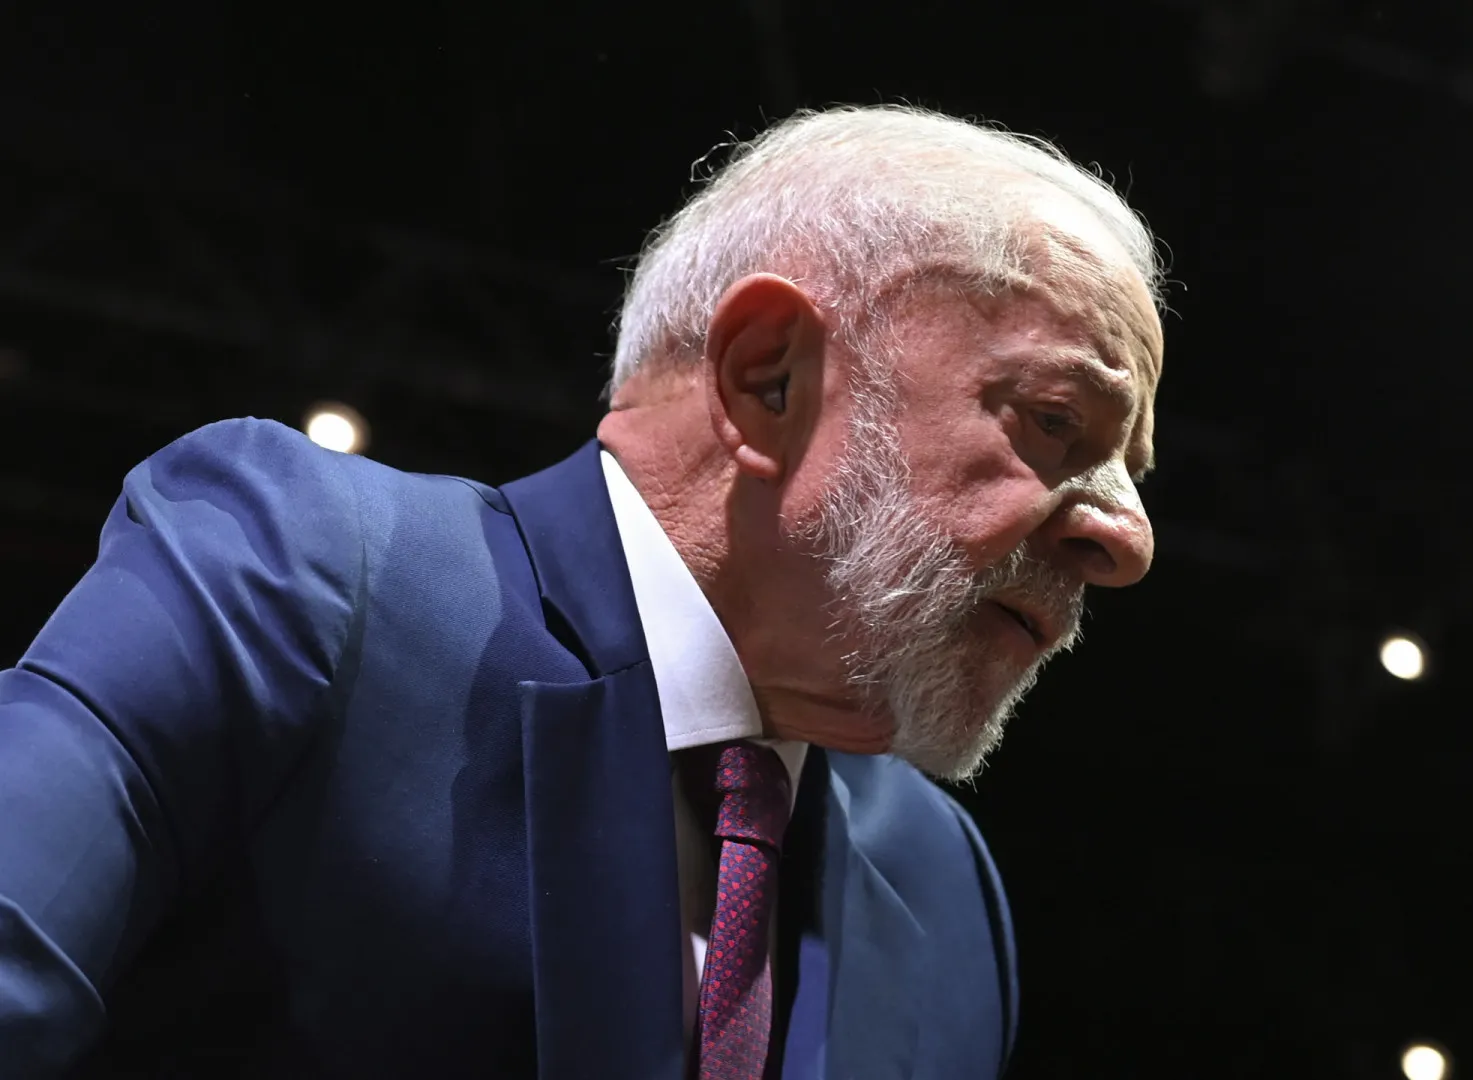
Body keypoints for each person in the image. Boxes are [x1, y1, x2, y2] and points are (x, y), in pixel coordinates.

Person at [0, 104, 1163, 1079]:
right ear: (767, 377)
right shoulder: (295, 569)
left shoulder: (947, 893)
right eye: (1055, 421)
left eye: (1133, 472)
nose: (1129, 538)